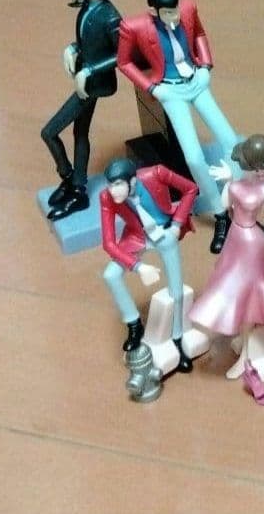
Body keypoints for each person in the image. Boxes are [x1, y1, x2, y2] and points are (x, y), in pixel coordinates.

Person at [117, 0, 243, 252]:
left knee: (230, 140)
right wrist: (152, 88)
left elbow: (199, 34)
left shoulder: (188, 8)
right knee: (193, 157)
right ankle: (220, 213)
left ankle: (241, 203)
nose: (174, 17)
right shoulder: (134, 26)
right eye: (168, 13)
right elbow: (124, 62)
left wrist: (205, 65)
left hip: (196, 81)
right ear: (154, 11)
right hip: (170, 90)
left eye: (175, 11)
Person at [188, 135, 264, 395]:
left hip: (252, 243)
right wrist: (228, 182)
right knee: (229, 287)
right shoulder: (242, 181)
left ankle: (247, 355)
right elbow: (224, 206)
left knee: (245, 295)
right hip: (235, 239)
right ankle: (246, 342)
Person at [98, 158, 197, 372]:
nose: (112, 191)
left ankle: (177, 340)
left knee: (177, 292)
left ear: (132, 181)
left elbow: (191, 189)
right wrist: (138, 266)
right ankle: (134, 324)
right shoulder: (106, 197)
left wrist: (177, 224)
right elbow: (108, 243)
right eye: (110, 184)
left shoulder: (157, 173)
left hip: (166, 233)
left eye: (118, 184)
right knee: (111, 275)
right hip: (137, 237)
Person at [42, 0, 122, 221]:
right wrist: (73, 48)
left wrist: (89, 70)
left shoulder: (110, 16)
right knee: (80, 132)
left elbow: (122, 55)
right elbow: (88, 42)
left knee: (49, 132)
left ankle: (69, 177)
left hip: (95, 85)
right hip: (86, 80)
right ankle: (76, 186)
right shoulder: (88, 8)